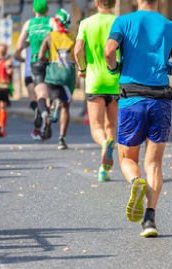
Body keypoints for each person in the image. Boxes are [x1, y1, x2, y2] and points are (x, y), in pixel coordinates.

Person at [105, 0, 172, 238]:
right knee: (153, 164)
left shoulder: (123, 21)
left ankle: (135, 182)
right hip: (161, 101)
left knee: (126, 159)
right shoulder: (171, 26)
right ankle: (150, 219)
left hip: (132, 99)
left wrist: (114, 68)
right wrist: (167, 69)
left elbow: (109, 51)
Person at [75, 0, 119, 181]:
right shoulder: (119, 22)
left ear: (96, 2)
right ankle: (103, 170)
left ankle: (104, 144)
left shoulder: (86, 23)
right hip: (115, 80)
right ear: (115, 3)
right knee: (111, 125)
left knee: (96, 127)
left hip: (94, 82)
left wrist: (82, 68)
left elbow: (78, 49)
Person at [15, 0, 55, 141]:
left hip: (35, 62)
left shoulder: (28, 24)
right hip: (50, 61)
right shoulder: (52, 22)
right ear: (47, 9)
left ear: (34, 10)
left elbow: (19, 45)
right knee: (50, 94)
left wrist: (18, 56)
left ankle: (43, 114)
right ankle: (50, 112)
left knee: (41, 95)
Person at [38, 8, 75, 149]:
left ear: (56, 21)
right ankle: (61, 139)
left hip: (53, 73)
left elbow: (41, 56)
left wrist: (48, 59)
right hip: (68, 75)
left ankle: (53, 106)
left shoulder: (50, 36)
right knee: (66, 107)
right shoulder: (73, 37)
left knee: (49, 98)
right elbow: (78, 54)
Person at [24, 45, 41, 140]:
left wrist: (26, 59)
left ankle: (35, 110)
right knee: (41, 100)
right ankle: (39, 129)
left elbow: (17, 55)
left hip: (28, 72)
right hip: (41, 71)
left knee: (32, 100)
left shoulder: (27, 40)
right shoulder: (45, 34)